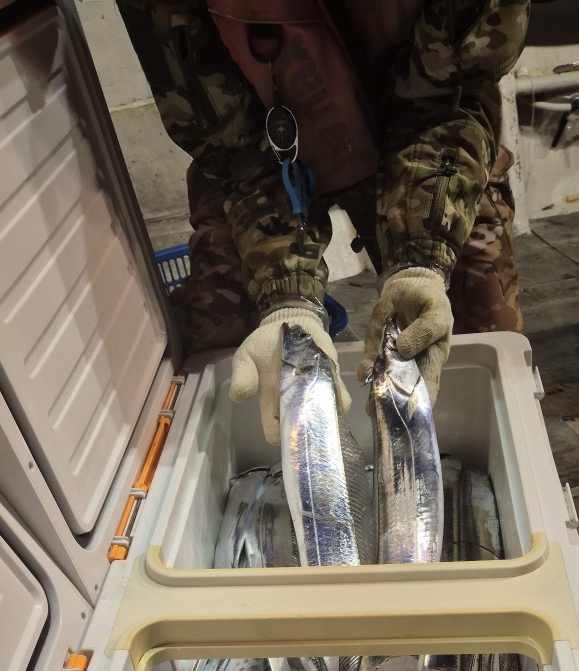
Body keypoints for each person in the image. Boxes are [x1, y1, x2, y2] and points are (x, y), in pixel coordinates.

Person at [117, 0, 529, 441]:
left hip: (432, 148)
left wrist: (422, 261)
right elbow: (232, 149)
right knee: (224, 345)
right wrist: (286, 297)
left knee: (480, 343)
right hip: (257, 162)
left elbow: (453, 98)